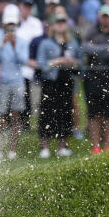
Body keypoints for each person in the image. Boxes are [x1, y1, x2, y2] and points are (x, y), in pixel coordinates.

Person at [81, 5, 109, 153]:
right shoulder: (91, 31)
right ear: (99, 16)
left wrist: (98, 48)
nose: (106, 18)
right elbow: (85, 48)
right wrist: (107, 49)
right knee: (94, 114)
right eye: (103, 15)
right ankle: (96, 147)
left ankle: (107, 146)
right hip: (93, 78)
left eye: (108, 16)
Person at [0, 4, 30, 159]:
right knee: (0, 116)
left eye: (13, 24)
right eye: (8, 24)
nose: (11, 27)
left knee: (16, 116)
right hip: (1, 82)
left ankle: (12, 150)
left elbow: (23, 61)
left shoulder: (22, 41)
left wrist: (14, 45)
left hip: (17, 82)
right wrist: (3, 44)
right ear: (4, 23)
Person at [35, 13, 79, 157]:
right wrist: (57, 61)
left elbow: (80, 62)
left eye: (63, 22)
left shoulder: (72, 43)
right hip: (50, 82)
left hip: (66, 81)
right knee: (47, 112)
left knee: (65, 112)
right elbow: (41, 64)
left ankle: (62, 146)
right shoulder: (46, 43)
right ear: (53, 25)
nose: (60, 25)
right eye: (58, 22)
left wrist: (73, 62)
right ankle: (45, 148)